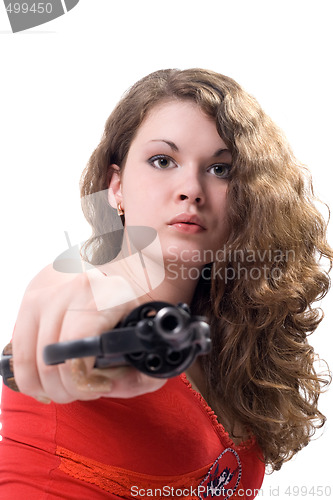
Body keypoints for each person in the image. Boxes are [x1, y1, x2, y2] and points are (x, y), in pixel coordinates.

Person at [0, 68, 331, 499]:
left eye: (220, 169)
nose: (191, 189)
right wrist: (77, 316)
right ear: (115, 187)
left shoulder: (227, 341)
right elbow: (70, 301)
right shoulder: (90, 296)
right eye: (163, 161)